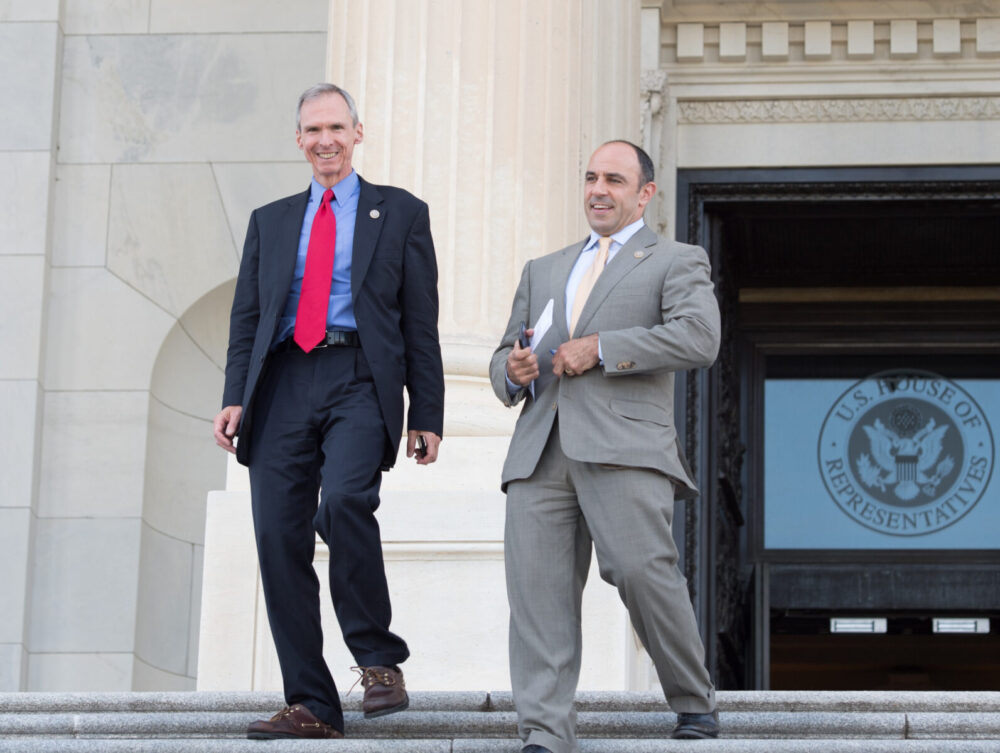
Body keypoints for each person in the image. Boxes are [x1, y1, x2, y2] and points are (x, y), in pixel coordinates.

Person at [213, 83, 444, 741]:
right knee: (277, 535)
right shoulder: (272, 219)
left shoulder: (399, 213)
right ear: (298, 141)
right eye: (313, 130)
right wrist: (235, 395)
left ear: (357, 132)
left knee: (343, 500)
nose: (325, 141)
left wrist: (426, 410)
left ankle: (378, 660)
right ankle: (311, 700)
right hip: (282, 380)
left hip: (359, 375)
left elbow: (419, 322)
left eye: (336, 128)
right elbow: (248, 318)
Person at [489, 140, 721, 752]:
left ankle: (693, 701)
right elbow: (506, 351)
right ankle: (545, 731)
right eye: (591, 177)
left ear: (645, 192)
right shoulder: (545, 267)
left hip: (625, 446)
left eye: (614, 180)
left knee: (643, 574)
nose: (598, 189)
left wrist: (602, 347)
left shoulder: (675, 259)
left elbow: (699, 338)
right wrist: (509, 372)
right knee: (537, 595)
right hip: (540, 450)